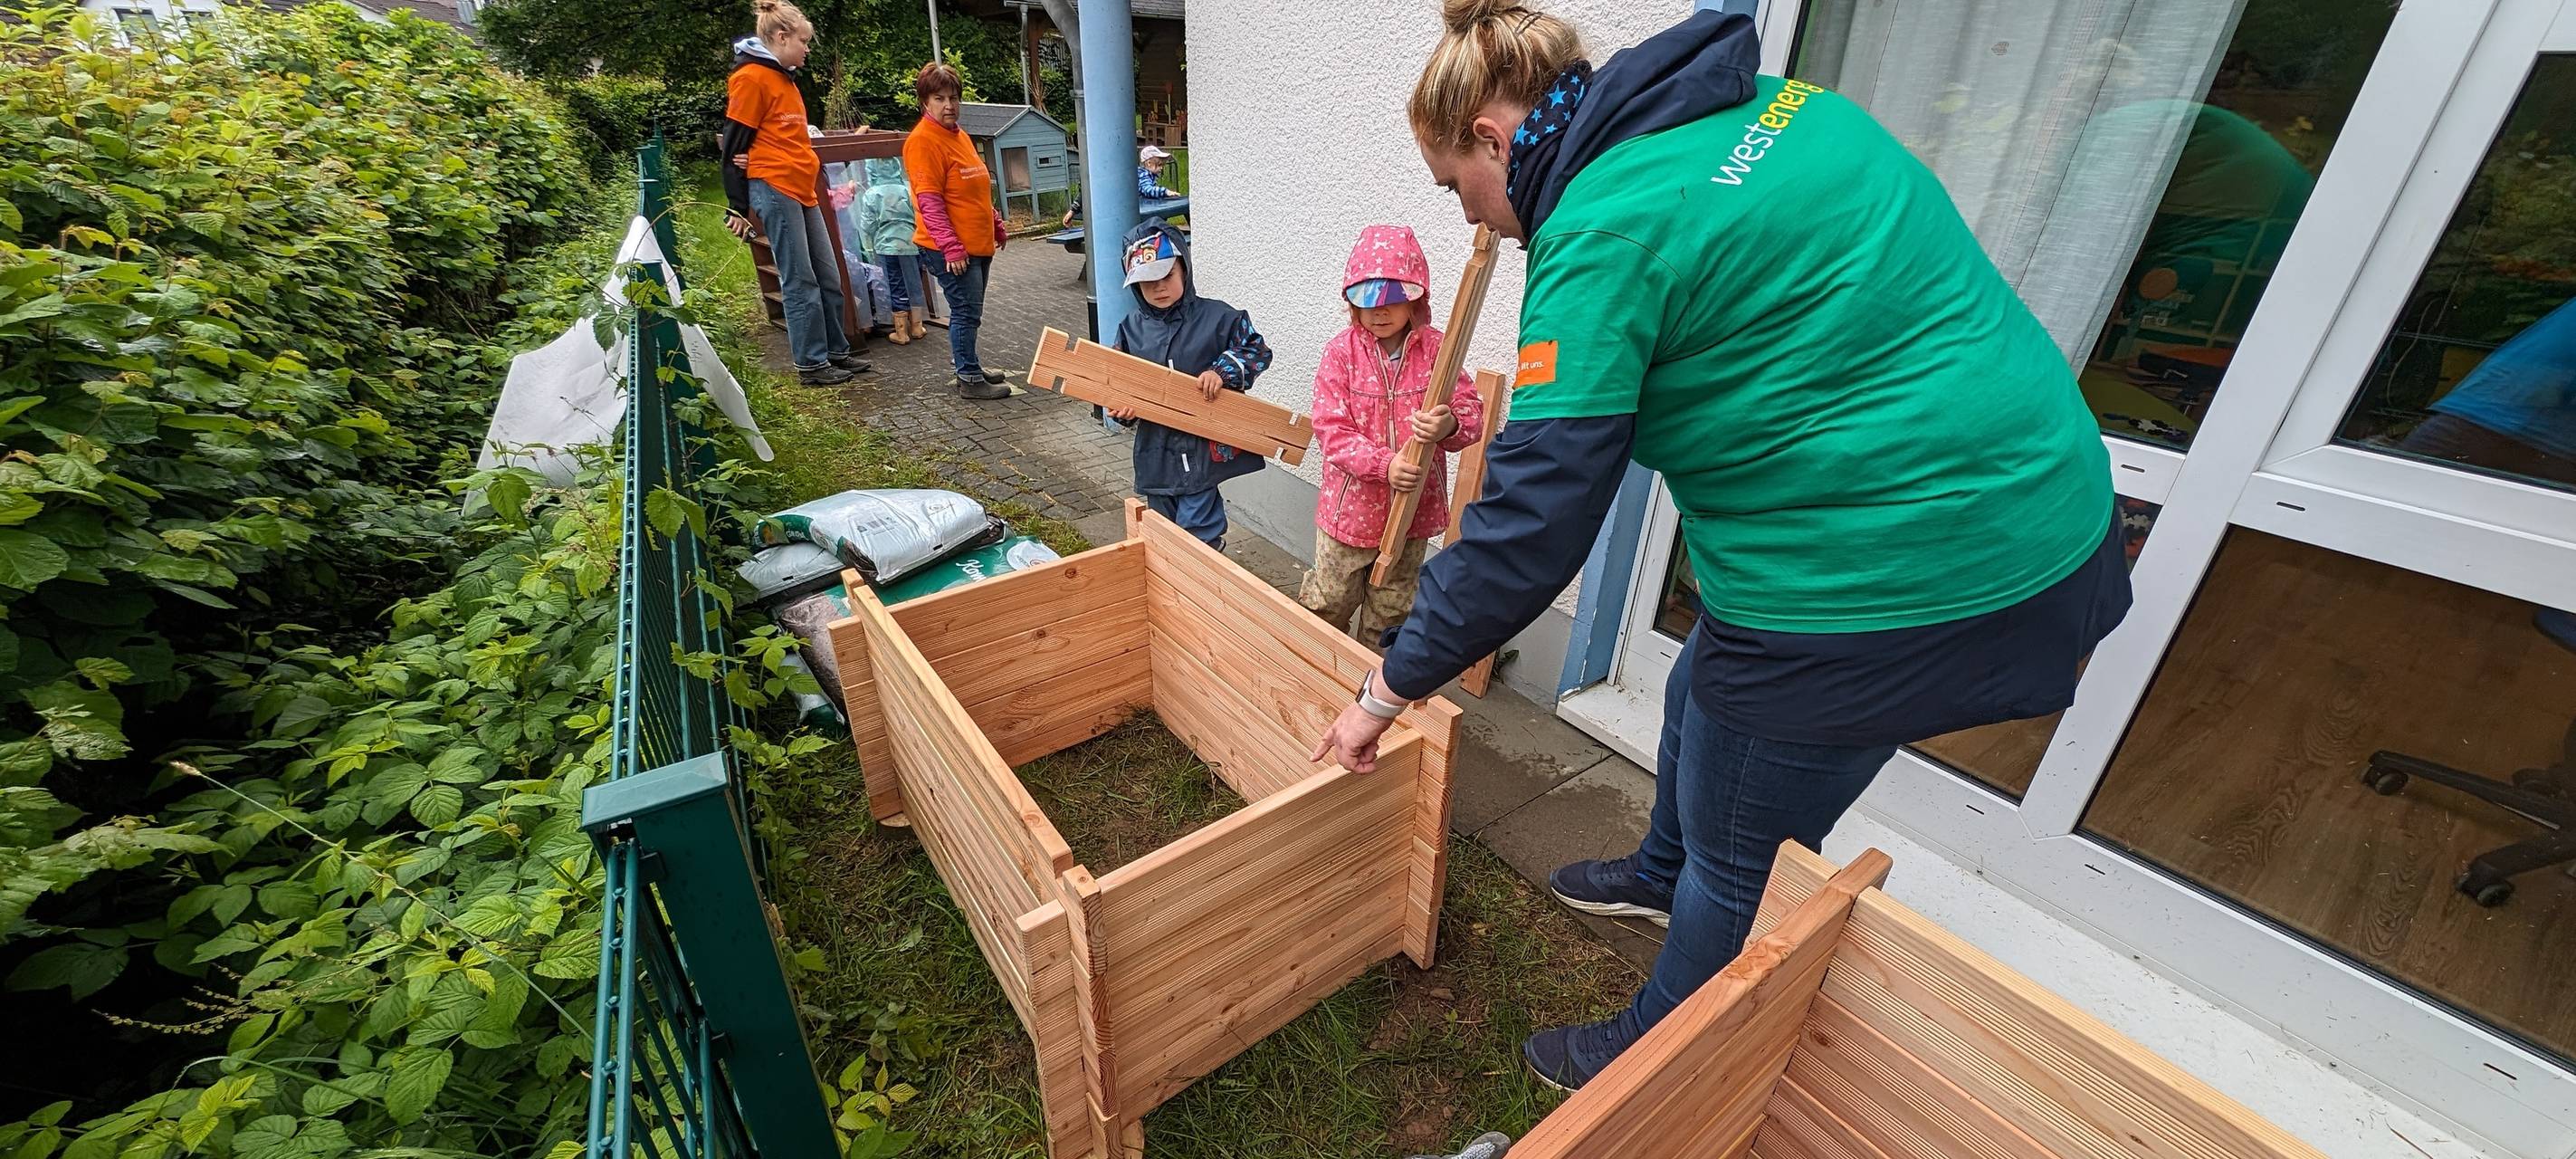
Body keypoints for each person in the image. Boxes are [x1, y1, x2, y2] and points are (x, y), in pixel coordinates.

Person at [1311, 2, 2132, 1092]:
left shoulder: (1602, 226)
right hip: (2023, 494)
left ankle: (1658, 1047)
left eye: (1457, 185)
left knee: (1746, 847)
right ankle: (1659, 870)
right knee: (1699, 687)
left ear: (1497, 139)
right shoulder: (1786, 108)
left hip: (1910, 570)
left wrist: (1384, 690)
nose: (1484, 225)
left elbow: (1528, 520)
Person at [1300, 224, 1484, 642]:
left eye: (1394, 300)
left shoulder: (1439, 350)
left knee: (1391, 611)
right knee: (1328, 602)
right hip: (1348, 515)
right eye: (1369, 301)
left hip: (1411, 516)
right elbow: (1332, 429)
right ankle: (1313, 673)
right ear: (1353, 303)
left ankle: (1371, 691)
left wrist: (1449, 424)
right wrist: (1385, 465)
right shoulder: (1341, 353)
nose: (1381, 312)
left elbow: (1471, 413)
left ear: (1416, 298)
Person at [720, 0, 870, 386]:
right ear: (781, 37)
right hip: (775, 186)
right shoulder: (751, 78)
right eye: (803, 41)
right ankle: (811, 365)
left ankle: (837, 351)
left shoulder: (784, 77)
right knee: (799, 279)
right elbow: (735, 144)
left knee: (828, 274)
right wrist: (738, 206)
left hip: (803, 187)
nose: (807, 49)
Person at [1103, 221, 1274, 549]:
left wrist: (1222, 371)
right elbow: (1116, 383)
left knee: (1199, 535)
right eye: (1146, 282)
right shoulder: (1130, 331)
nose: (1159, 288)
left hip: (1203, 453)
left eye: (1166, 275)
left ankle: (1206, 587)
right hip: (1156, 456)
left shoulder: (1219, 318)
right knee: (1163, 534)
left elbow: (1256, 350)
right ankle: (1175, 592)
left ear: (1184, 268)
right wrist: (1122, 411)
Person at [903, 62, 1011, 400]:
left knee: (972, 312)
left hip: (977, 244)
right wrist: (951, 247)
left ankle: (972, 366)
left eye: (953, 97)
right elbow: (930, 202)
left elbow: (974, 188)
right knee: (965, 311)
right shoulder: (923, 141)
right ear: (925, 102)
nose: (948, 105)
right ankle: (968, 378)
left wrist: (994, 223)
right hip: (951, 250)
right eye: (939, 98)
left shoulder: (958, 135)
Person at [857, 155, 925, 344]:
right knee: (914, 282)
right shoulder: (906, 189)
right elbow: (919, 215)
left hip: (886, 247)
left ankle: (901, 333)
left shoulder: (872, 194)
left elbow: (867, 225)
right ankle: (918, 327)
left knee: (895, 285)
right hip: (911, 243)